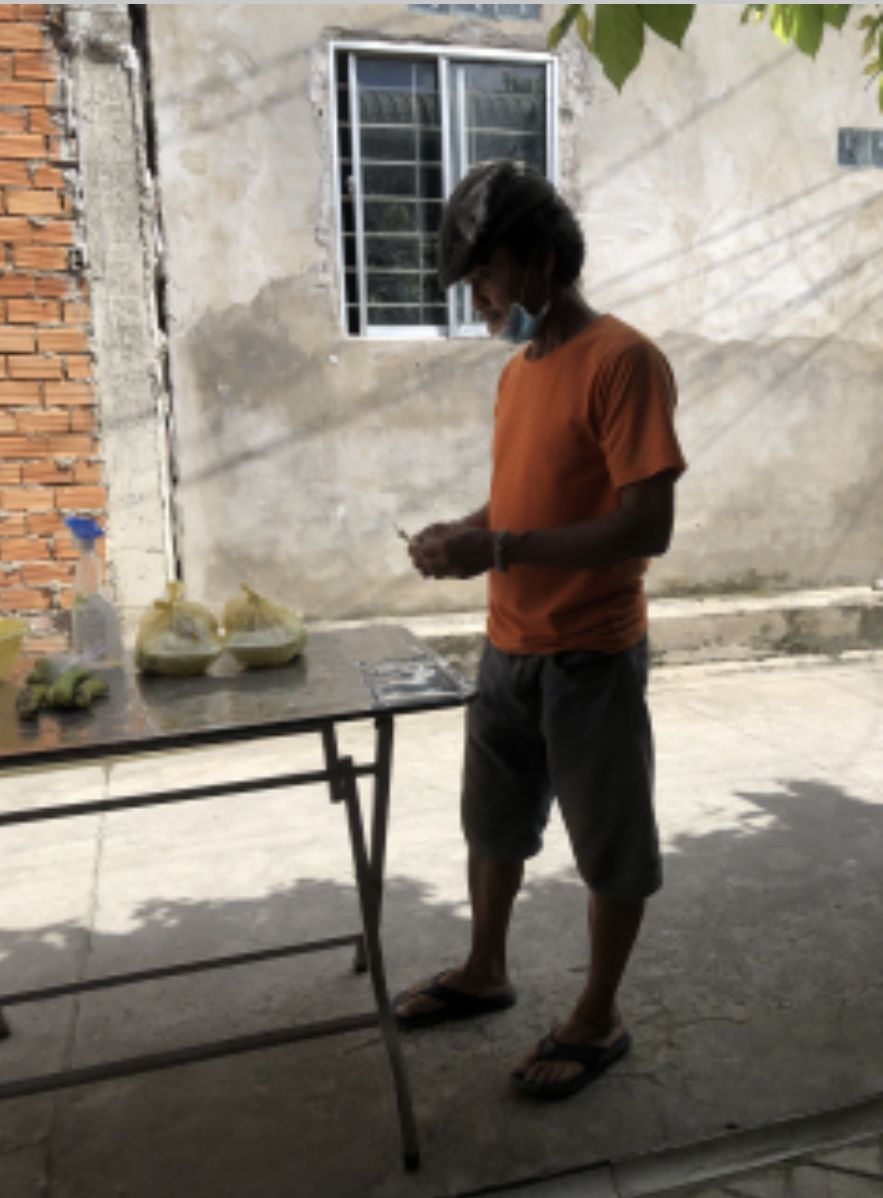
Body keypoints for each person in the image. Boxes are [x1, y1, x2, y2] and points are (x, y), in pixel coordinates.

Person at [393, 160, 688, 1101]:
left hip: (590, 653)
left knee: (610, 846)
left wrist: (499, 547)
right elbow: (525, 497)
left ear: (542, 261)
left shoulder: (622, 360)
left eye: (486, 274)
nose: (478, 296)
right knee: (492, 827)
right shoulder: (519, 374)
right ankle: (485, 970)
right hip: (507, 648)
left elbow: (646, 524)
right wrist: (466, 530)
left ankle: (597, 1017)